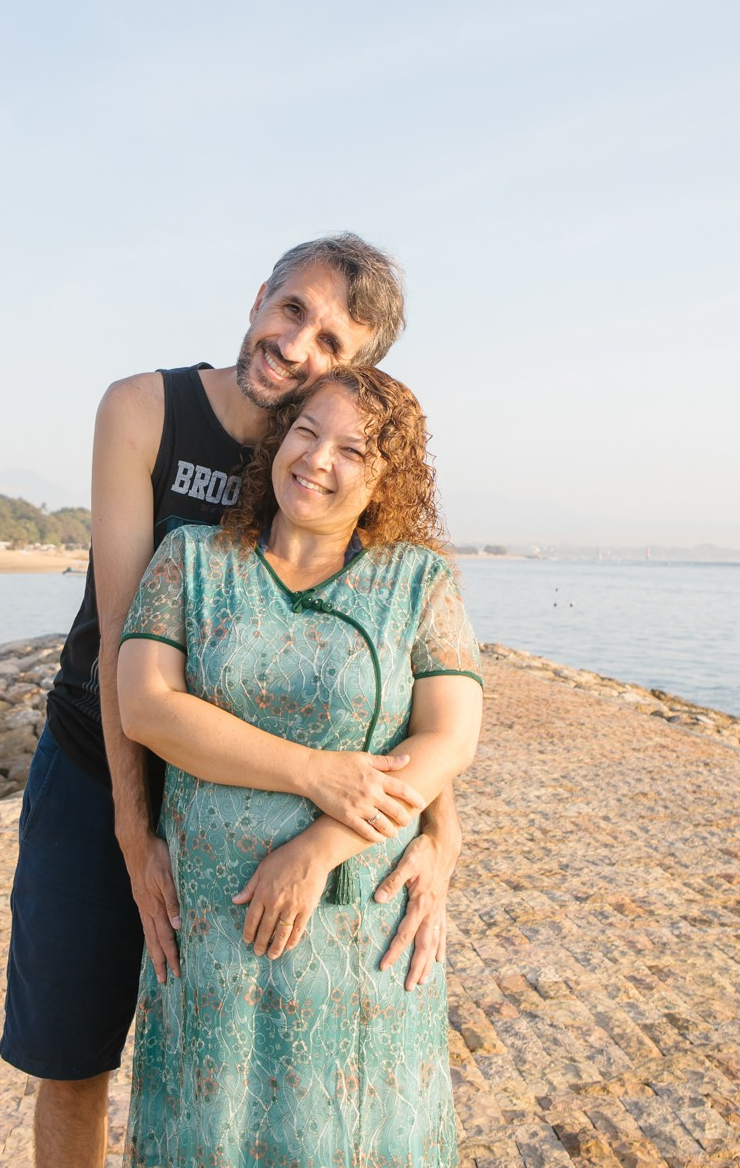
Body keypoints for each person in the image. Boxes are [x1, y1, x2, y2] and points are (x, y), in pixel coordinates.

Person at [0, 235, 466, 1167]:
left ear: (356, 372)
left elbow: (391, 685)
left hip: (254, 802)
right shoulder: (146, 409)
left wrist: (439, 827)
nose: (298, 347)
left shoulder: (323, 465)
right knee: (73, 1056)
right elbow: (127, 647)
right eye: (293, 309)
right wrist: (135, 830)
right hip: (107, 761)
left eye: (332, 343)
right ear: (261, 296)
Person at [114, 366, 483, 1165]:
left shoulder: (420, 581)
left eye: (352, 449)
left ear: (387, 477)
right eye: (306, 432)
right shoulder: (191, 559)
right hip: (208, 932)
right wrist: (313, 771)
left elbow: (448, 739)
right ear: (278, 440)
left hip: (362, 939)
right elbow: (146, 707)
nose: (317, 458)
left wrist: (318, 848)